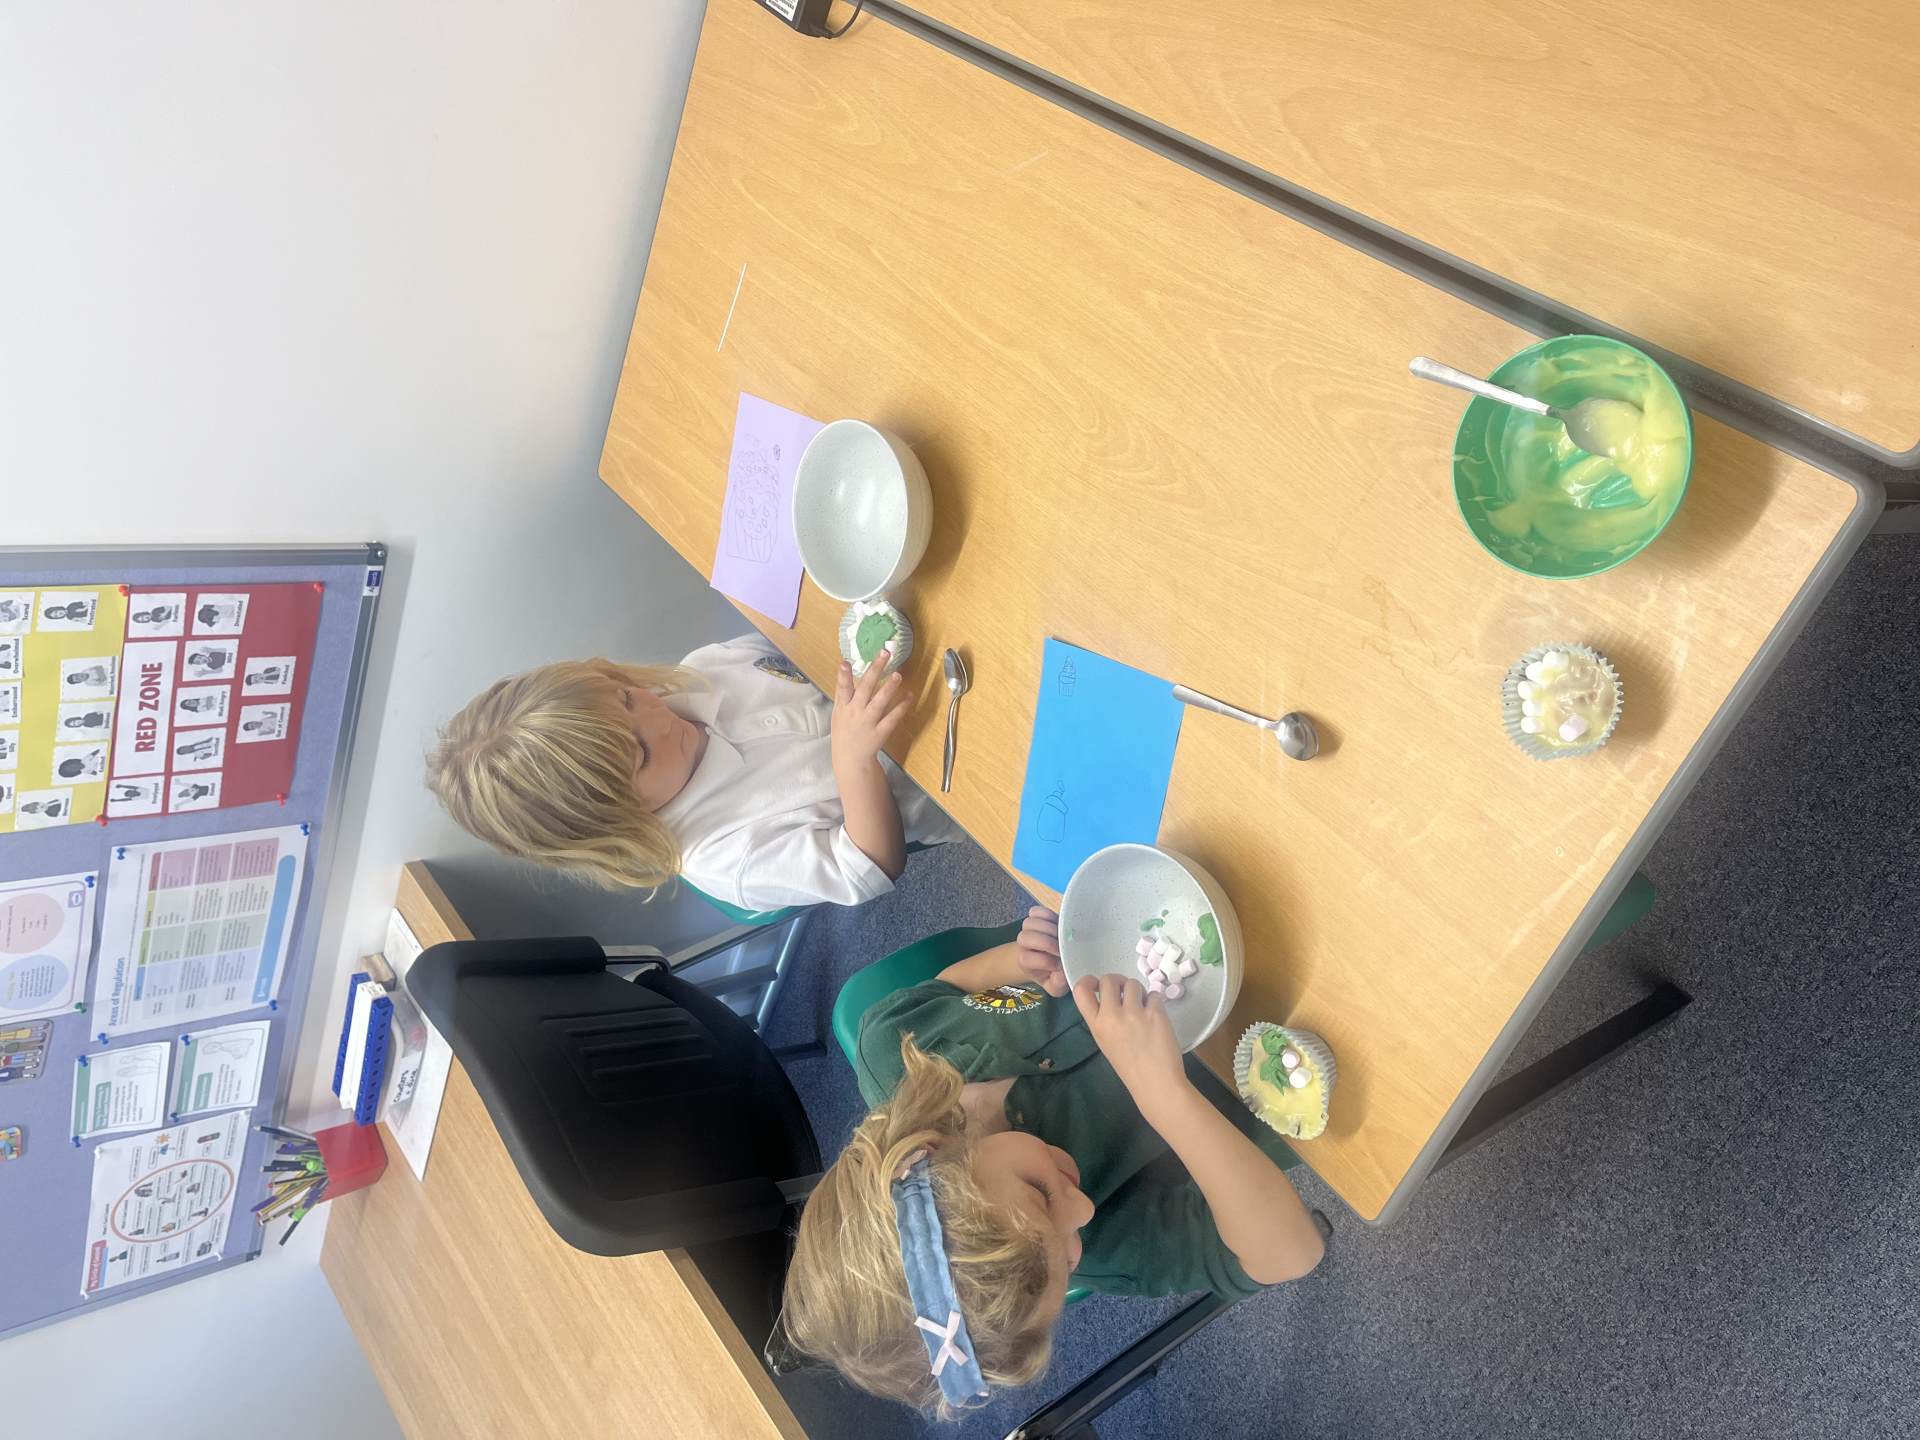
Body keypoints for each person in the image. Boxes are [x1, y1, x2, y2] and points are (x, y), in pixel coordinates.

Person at [780, 908, 1324, 1416]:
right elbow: (1288, 1254)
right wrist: (1164, 1096)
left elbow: (954, 988)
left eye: (1040, 1194)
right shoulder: (1101, 1245)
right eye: (1065, 1262)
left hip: (1177, 916)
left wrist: (1020, 963)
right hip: (1287, 1049)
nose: (1082, 1211)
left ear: (930, 1147)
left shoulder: (896, 1046)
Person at [426, 635, 959, 910]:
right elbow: (870, 868)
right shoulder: (726, 858)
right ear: (616, 820)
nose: (661, 720)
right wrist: (853, 761)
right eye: (641, 755)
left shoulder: (700, 672)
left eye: (626, 698)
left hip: (926, 679)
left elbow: (800, 645)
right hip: (955, 787)